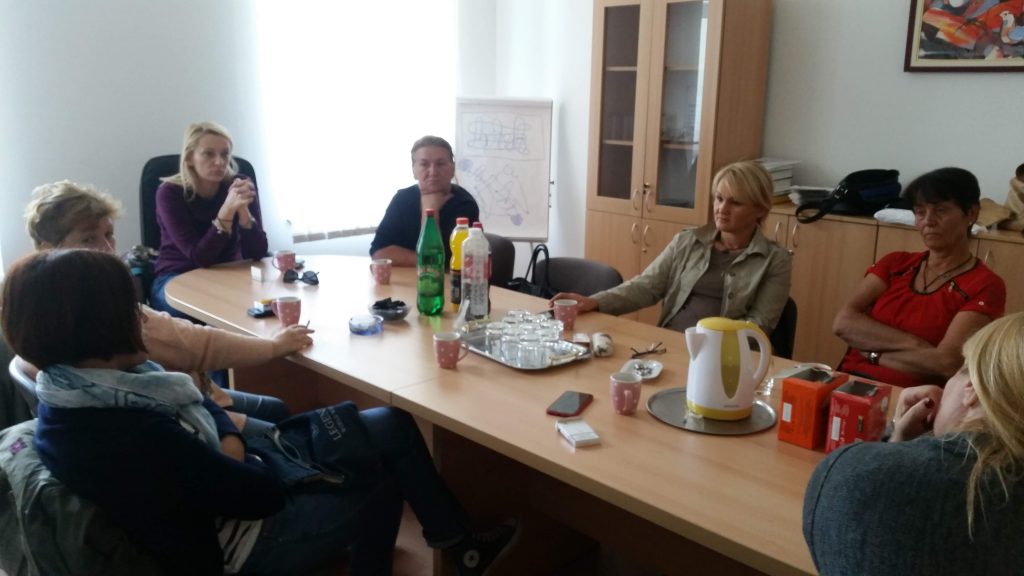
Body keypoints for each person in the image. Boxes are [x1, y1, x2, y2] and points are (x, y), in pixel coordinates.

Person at [2, 249, 517, 576]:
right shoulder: (128, 429)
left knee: (388, 423)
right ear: (100, 325)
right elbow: (259, 496)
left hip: (222, 484)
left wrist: (228, 437)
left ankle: (458, 544)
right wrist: (236, 444)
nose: (142, 317)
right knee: (380, 476)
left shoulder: (80, 389)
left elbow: (203, 405)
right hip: (237, 542)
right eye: (130, 309)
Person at [24, 180, 305, 433]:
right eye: (89, 239)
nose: (108, 249)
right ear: (50, 251)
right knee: (280, 416)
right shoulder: (108, 314)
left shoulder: (40, 308)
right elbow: (199, 345)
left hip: (149, 411)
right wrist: (274, 347)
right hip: (181, 416)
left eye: (110, 234)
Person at [803, 312, 1024, 575]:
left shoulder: (846, 474)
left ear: (972, 389)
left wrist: (894, 448)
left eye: (961, 369)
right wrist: (901, 444)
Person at [552, 160, 792, 335]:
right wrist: (594, 302)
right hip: (670, 342)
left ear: (760, 210)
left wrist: (712, 346)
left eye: (735, 203)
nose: (722, 209)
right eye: (719, 199)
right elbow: (647, 286)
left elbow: (759, 324)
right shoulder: (688, 241)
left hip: (723, 356)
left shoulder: (775, 260)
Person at [833, 167, 1006, 387]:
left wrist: (874, 354)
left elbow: (946, 363)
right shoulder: (895, 263)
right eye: (920, 212)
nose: (928, 221)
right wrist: (917, 345)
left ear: (971, 214)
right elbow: (843, 322)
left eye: (940, 210)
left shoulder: (985, 285)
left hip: (916, 398)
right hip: (851, 384)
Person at [151, 121, 269, 318]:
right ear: (190, 158)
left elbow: (257, 252)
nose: (219, 162)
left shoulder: (239, 185)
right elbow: (200, 257)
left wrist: (243, 212)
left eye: (225, 154)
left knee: (267, 304)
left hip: (229, 273)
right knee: (197, 313)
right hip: (178, 276)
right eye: (208, 154)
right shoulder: (169, 193)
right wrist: (227, 210)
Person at [370, 135, 480, 266]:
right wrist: (426, 260)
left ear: (452, 169)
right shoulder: (402, 199)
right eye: (424, 164)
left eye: (440, 164)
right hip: (404, 278)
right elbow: (379, 253)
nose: (433, 172)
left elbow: (448, 262)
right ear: (414, 171)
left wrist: (430, 213)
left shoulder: (464, 204)